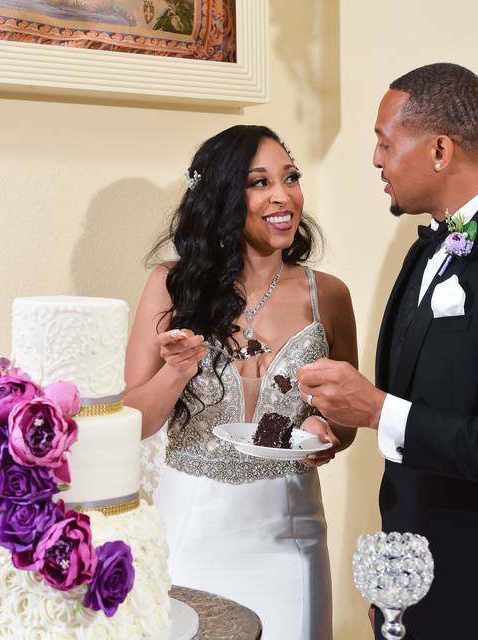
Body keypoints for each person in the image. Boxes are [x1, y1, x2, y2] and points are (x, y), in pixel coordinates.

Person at [297, 63, 478, 640]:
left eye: (385, 143)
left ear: (438, 150)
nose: (377, 160)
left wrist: (380, 410)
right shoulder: (424, 249)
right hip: (414, 593)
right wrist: (392, 590)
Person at [123, 125, 358, 639]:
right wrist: (178, 369)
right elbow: (134, 420)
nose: (283, 195)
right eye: (260, 182)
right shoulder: (170, 284)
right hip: (192, 523)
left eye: (291, 178)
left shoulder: (329, 296)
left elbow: (348, 418)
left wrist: (325, 427)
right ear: (223, 196)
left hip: (290, 529)